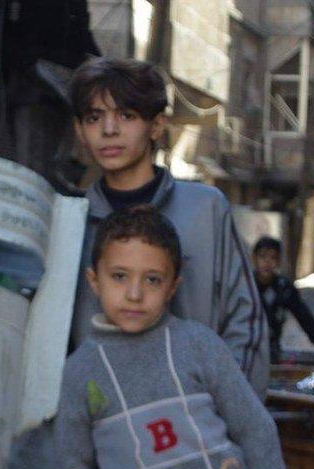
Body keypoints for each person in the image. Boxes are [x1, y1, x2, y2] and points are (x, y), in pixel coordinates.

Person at [55, 207, 286, 469]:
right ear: (94, 280)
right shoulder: (81, 373)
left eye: (152, 279)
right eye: (119, 276)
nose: (134, 293)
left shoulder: (199, 344)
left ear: (173, 286)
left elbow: (256, 428)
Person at [67, 56, 270, 399]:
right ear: (80, 131)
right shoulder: (71, 222)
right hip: (104, 430)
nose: (109, 130)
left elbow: (245, 323)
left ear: (157, 126)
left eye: (126, 116)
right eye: (94, 117)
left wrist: (225, 418)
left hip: (196, 424)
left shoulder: (206, 209)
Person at [251, 237, 314, 358]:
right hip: (247, 348)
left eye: (273, 257)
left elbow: (303, 315)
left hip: (272, 350)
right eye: (263, 256)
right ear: (254, 258)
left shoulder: (283, 287)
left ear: (278, 261)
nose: (267, 262)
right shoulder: (246, 286)